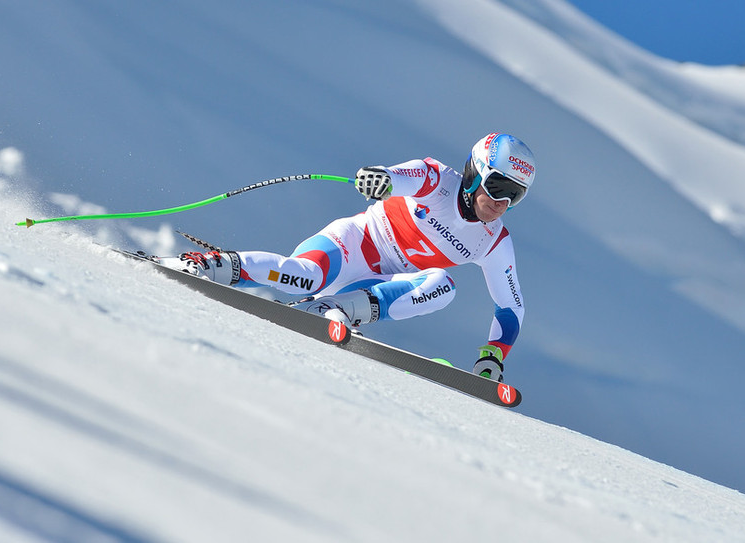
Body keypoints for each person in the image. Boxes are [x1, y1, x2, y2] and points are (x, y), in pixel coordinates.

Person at [162, 133, 536, 382]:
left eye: (515, 195)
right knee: (305, 276)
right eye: (497, 186)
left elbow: (511, 306)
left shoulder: (493, 241)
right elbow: (398, 176)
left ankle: (327, 310)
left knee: (443, 286)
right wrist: (380, 179)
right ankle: (207, 266)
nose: (502, 202)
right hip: (353, 244)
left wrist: (494, 355)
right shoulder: (437, 180)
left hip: (374, 285)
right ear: (474, 173)